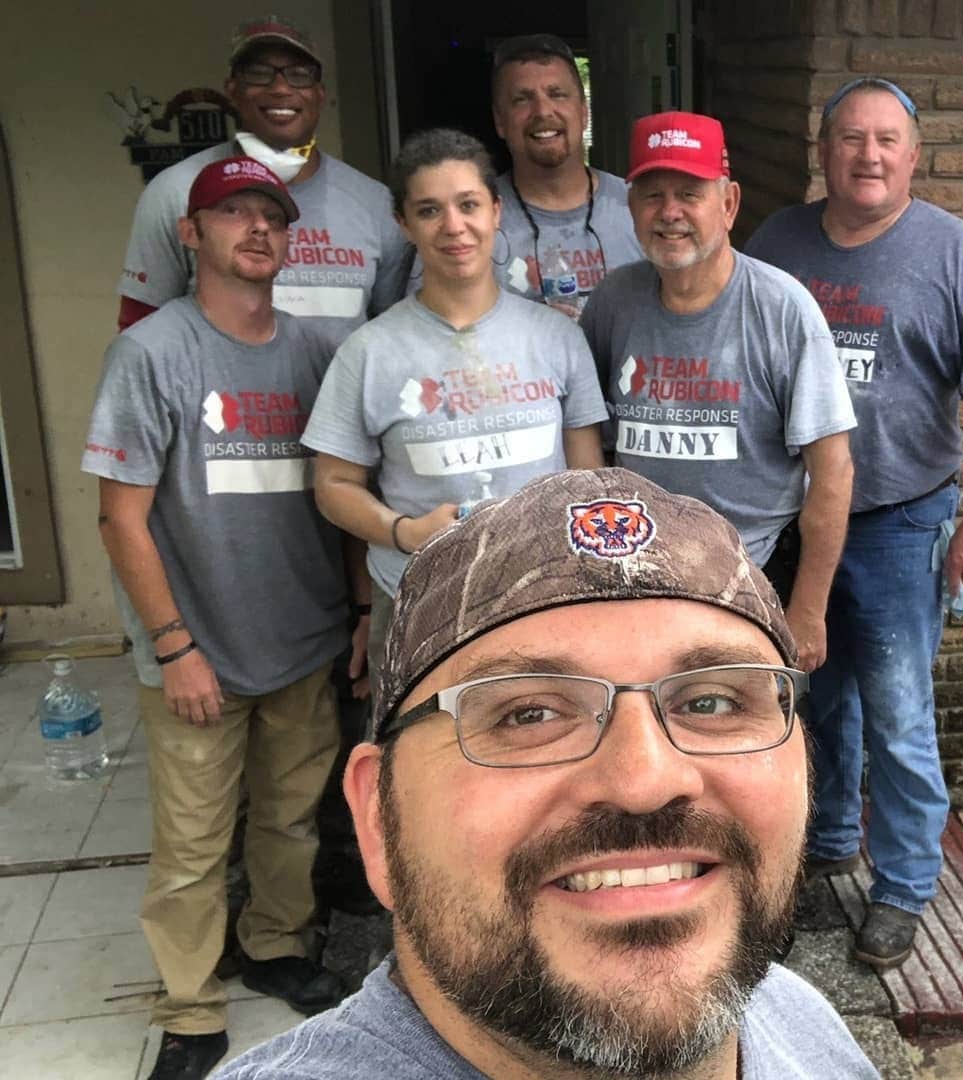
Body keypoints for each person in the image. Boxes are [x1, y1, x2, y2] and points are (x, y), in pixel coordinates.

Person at [213, 468, 879, 1079]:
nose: (643, 779)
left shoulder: (796, 1018)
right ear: (376, 818)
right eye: (527, 714)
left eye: (713, 703)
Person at [745, 77, 963, 967]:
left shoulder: (957, 254)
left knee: (901, 717)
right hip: (791, 523)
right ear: (823, 149)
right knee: (814, 698)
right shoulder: (776, 242)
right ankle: (830, 838)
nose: (868, 156)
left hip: (899, 524)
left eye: (886, 141)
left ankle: (905, 884)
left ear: (913, 155)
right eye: (850, 139)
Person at [84, 156, 353, 1080]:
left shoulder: (317, 352)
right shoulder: (153, 352)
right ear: (190, 234)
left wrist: (355, 610)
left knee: (288, 822)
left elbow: (343, 491)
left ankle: (274, 945)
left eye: (270, 216)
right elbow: (121, 517)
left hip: (304, 639)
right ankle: (191, 1008)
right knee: (194, 847)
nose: (256, 230)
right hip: (196, 651)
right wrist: (172, 646)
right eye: (231, 214)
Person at [302, 128, 607, 686]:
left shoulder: (557, 338)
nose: (453, 227)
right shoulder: (370, 351)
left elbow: (587, 478)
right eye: (429, 210)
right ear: (404, 224)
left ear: (495, 210)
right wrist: (403, 532)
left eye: (468, 205)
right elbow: (333, 484)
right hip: (419, 601)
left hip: (542, 600)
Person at [581, 110, 856, 673]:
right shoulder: (615, 302)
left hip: (754, 571)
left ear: (728, 204)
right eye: (652, 195)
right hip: (634, 572)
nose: (670, 212)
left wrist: (807, 609)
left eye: (690, 193)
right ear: (630, 207)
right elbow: (589, 441)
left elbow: (833, 472)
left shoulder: (783, 310)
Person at [117, 13, 410, 348]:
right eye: (259, 73)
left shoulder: (375, 203)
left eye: (299, 75)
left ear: (319, 94)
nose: (281, 88)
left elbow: (396, 335)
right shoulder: (176, 192)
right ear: (232, 90)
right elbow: (139, 327)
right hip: (217, 399)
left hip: (340, 400)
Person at [488, 33, 641, 316]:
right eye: (522, 99)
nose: (543, 110)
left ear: (583, 112)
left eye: (557, 94)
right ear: (500, 121)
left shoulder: (639, 207)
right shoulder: (473, 221)